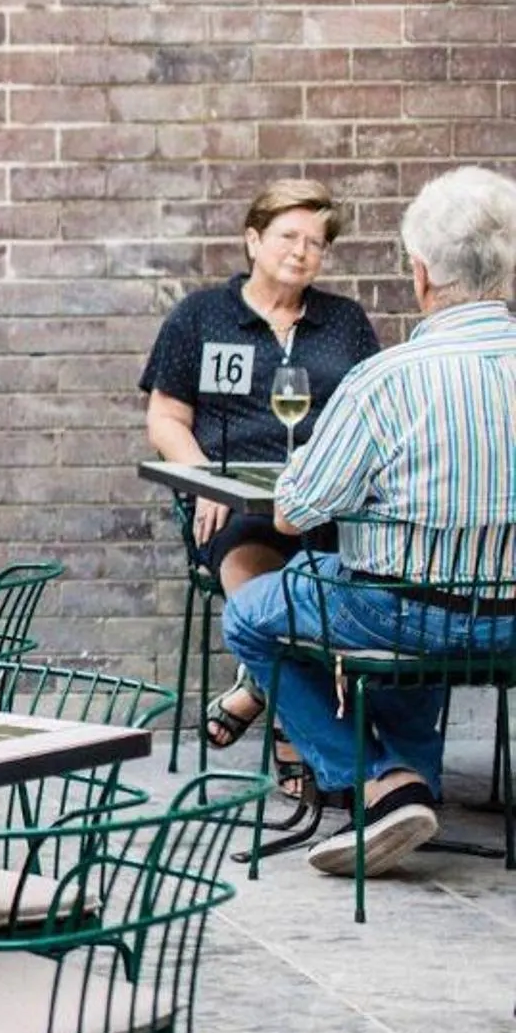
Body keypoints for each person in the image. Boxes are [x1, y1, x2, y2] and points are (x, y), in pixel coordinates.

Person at [225, 167, 516, 879]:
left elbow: (295, 512)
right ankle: (415, 781)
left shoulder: (387, 379)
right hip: (510, 619)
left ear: (420, 273)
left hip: (405, 613)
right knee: (338, 583)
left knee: (260, 614)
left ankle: (382, 781)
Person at [141, 178, 381, 751]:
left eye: (316, 242)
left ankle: (257, 689)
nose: (302, 251)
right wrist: (207, 483)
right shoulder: (202, 316)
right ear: (253, 241)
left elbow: (378, 412)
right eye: (288, 236)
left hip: (331, 503)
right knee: (259, 571)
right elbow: (166, 419)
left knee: (362, 573)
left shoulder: (344, 322)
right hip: (238, 509)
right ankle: (293, 733)